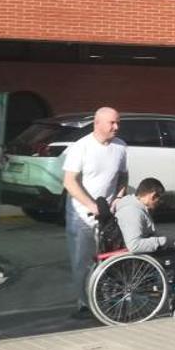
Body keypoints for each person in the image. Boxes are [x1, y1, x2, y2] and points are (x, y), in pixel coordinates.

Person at [62, 107, 128, 318]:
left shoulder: (121, 147)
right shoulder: (81, 147)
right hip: (82, 215)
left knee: (108, 258)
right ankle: (84, 303)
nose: (116, 127)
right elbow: (69, 182)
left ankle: (104, 300)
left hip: (107, 215)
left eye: (118, 122)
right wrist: (91, 205)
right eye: (112, 123)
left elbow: (123, 176)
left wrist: (118, 197)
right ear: (97, 124)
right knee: (82, 261)